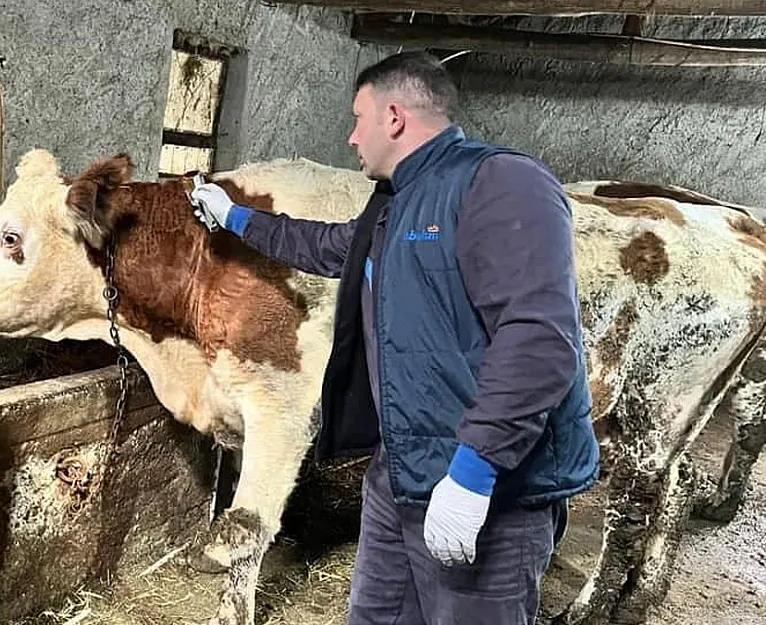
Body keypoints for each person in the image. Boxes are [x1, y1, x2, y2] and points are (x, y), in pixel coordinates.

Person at [189, 51, 600, 624]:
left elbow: (538, 343)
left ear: (395, 117)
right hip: (400, 473)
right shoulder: (397, 200)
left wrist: (473, 473)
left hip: (488, 493)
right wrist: (234, 217)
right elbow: (331, 247)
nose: (351, 136)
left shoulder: (503, 183)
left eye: (358, 118)